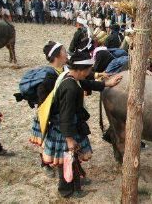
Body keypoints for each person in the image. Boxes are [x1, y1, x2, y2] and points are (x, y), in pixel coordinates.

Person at [42, 51, 122, 198]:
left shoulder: (69, 77)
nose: (89, 73)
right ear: (81, 70)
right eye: (88, 70)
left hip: (69, 126)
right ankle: (66, 190)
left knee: (74, 157)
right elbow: (66, 115)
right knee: (67, 159)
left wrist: (105, 84)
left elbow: (85, 83)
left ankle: (77, 181)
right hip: (66, 129)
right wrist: (69, 139)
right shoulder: (70, 88)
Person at [29, 41, 69, 177]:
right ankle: (45, 163)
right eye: (64, 51)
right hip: (48, 114)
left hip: (60, 114)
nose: (66, 52)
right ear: (57, 56)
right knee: (47, 141)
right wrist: (50, 115)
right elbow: (42, 97)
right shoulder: (49, 75)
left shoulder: (65, 69)